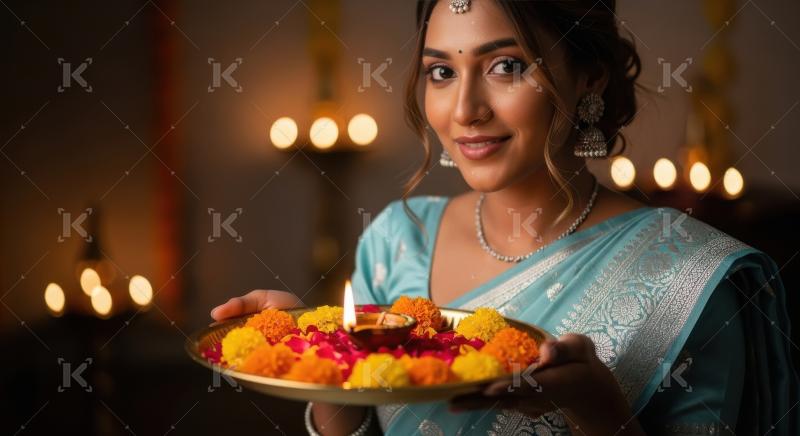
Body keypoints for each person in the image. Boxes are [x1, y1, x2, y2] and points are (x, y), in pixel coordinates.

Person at [210, 0, 800, 434]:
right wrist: (322, 357)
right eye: (441, 71)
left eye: (506, 66)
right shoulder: (399, 239)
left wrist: (599, 411)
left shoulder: (690, 277)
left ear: (588, 75)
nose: (464, 109)